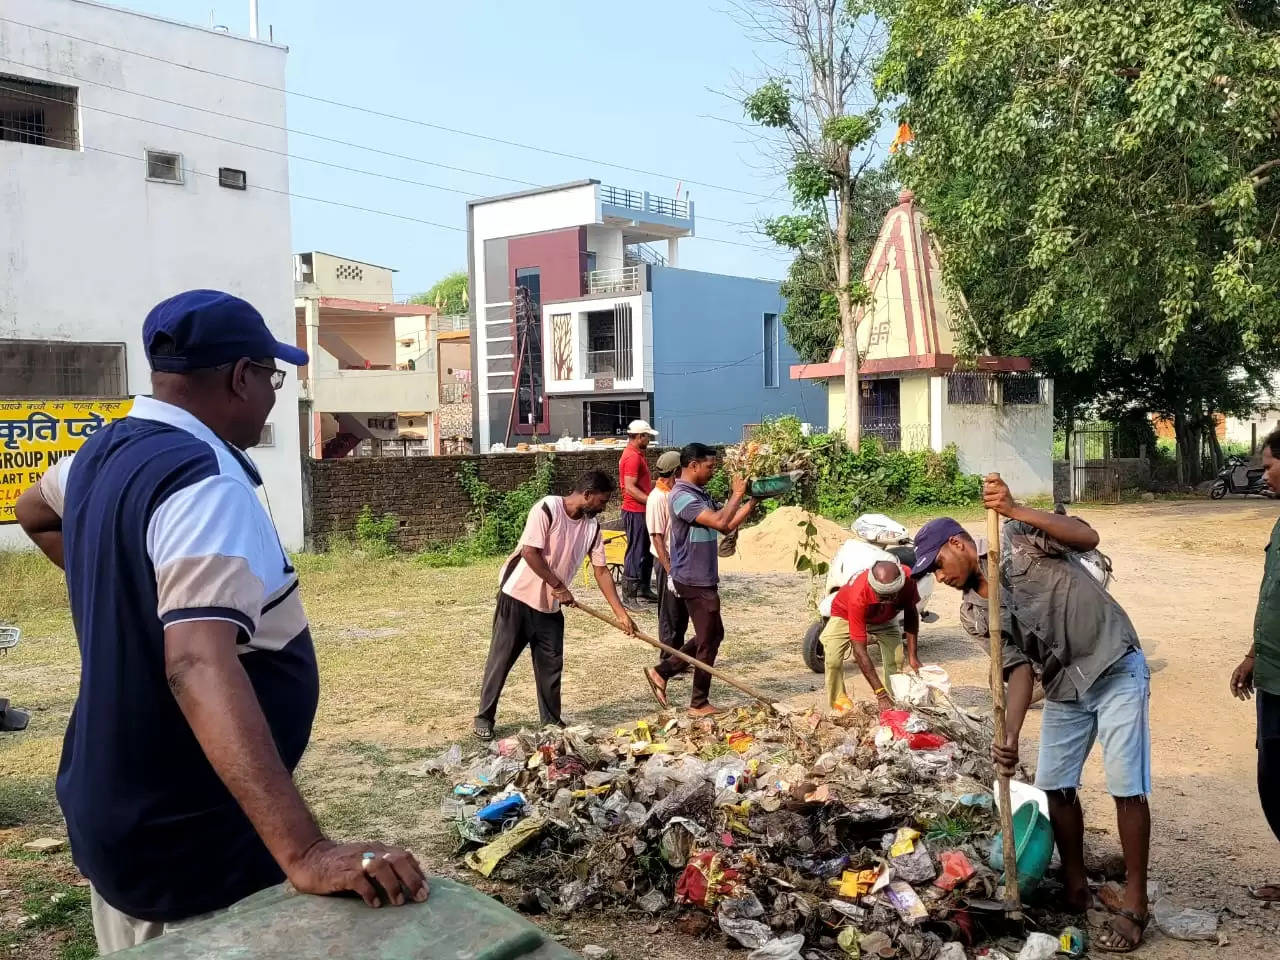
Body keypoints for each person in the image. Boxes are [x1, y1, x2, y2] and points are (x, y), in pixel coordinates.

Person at [14, 290, 427, 955]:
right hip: (188, 838)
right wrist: (306, 850)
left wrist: (117, 591)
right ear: (241, 377)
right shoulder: (202, 482)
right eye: (271, 376)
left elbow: (32, 510)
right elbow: (197, 662)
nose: (270, 394)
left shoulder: (96, 456)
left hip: (121, 808)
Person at [911, 476, 1151, 953]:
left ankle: (1136, 904)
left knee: (1126, 786)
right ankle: (1077, 886)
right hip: (1065, 685)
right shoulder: (975, 613)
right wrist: (1011, 733)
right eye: (931, 575)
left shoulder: (1018, 541)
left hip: (1113, 662)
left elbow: (1087, 536)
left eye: (938, 565)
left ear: (959, 543)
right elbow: (1019, 669)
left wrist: (1016, 509)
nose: (939, 578)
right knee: (1055, 785)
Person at [474, 470, 636, 740]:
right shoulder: (547, 508)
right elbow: (529, 552)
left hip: (549, 608)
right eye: (602, 501)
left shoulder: (592, 527)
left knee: (551, 667)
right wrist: (559, 586)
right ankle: (484, 717)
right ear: (587, 494)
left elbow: (602, 571)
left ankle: (551, 721)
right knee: (500, 661)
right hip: (517, 598)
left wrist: (621, 614)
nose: (604, 507)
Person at [647, 443, 755, 716]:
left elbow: (727, 524)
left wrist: (752, 502)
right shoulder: (681, 496)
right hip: (692, 577)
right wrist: (738, 494)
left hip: (703, 576)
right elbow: (720, 522)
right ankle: (698, 703)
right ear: (692, 465)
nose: (712, 472)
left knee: (714, 633)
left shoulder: (700, 495)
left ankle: (662, 671)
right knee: (708, 639)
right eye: (709, 467)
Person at [1231, 427, 1280, 902]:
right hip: (1272, 675)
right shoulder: (1279, 525)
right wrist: (1252, 656)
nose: (1263, 474)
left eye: (1268, 465)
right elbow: (1273, 600)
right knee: (1273, 776)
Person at [820, 560, 922, 714]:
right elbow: (859, 651)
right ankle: (839, 705)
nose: (887, 600)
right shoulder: (858, 595)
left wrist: (913, 657)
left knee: (896, 659)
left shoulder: (908, 579)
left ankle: (894, 703)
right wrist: (880, 694)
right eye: (882, 596)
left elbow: (911, 614)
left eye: (891, 596)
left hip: (884, 617)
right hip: (846, 614)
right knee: (833, 659)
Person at [643, 451, 690, 707]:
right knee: (669, 615)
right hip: (666, 562)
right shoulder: (657, 499)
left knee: (681, 614)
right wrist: (669, 569)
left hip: (680, 561)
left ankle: (677, 660)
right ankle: (666, 659)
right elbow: (657, 537)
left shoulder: (673, 495)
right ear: (674, 474)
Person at [619, 419, 660, 606]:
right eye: (647, 436)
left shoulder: (637, 454)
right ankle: (629, 596)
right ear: (640, 436)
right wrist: (651, 500)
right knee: (635, 551)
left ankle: (643, 588)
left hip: (641, 509)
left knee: (646, 550)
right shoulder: (632, 457)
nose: (649, 439)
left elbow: (640, 485)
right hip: (635, 510)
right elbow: (630, 488)